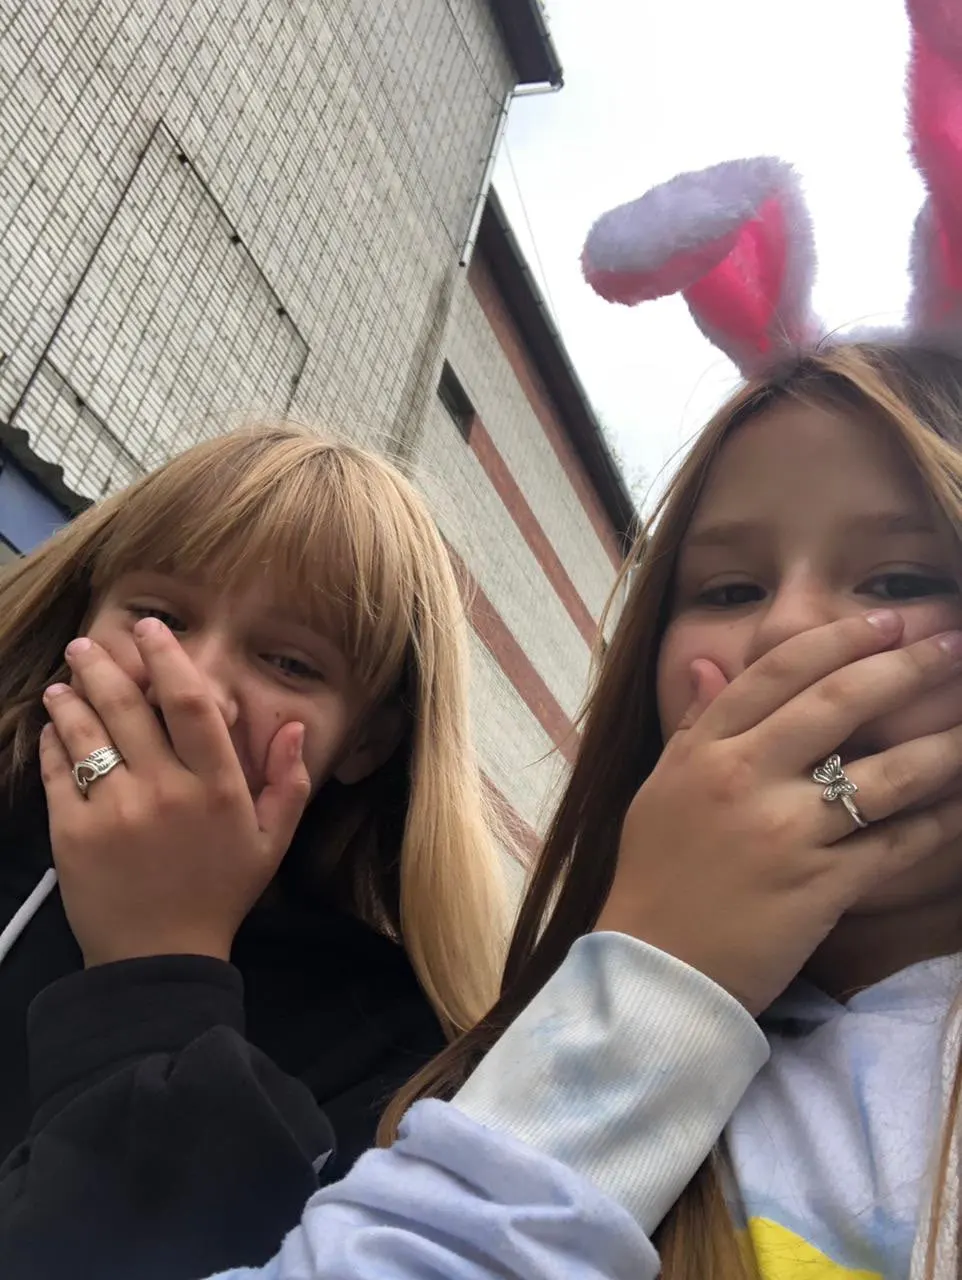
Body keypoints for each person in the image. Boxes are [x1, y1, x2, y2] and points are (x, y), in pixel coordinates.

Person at [0, 423, 509, 1280]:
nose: (193, 683)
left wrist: (157, 964)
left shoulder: (399, 1057)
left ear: (366, 743)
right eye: (159, 617)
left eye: (290, 663)